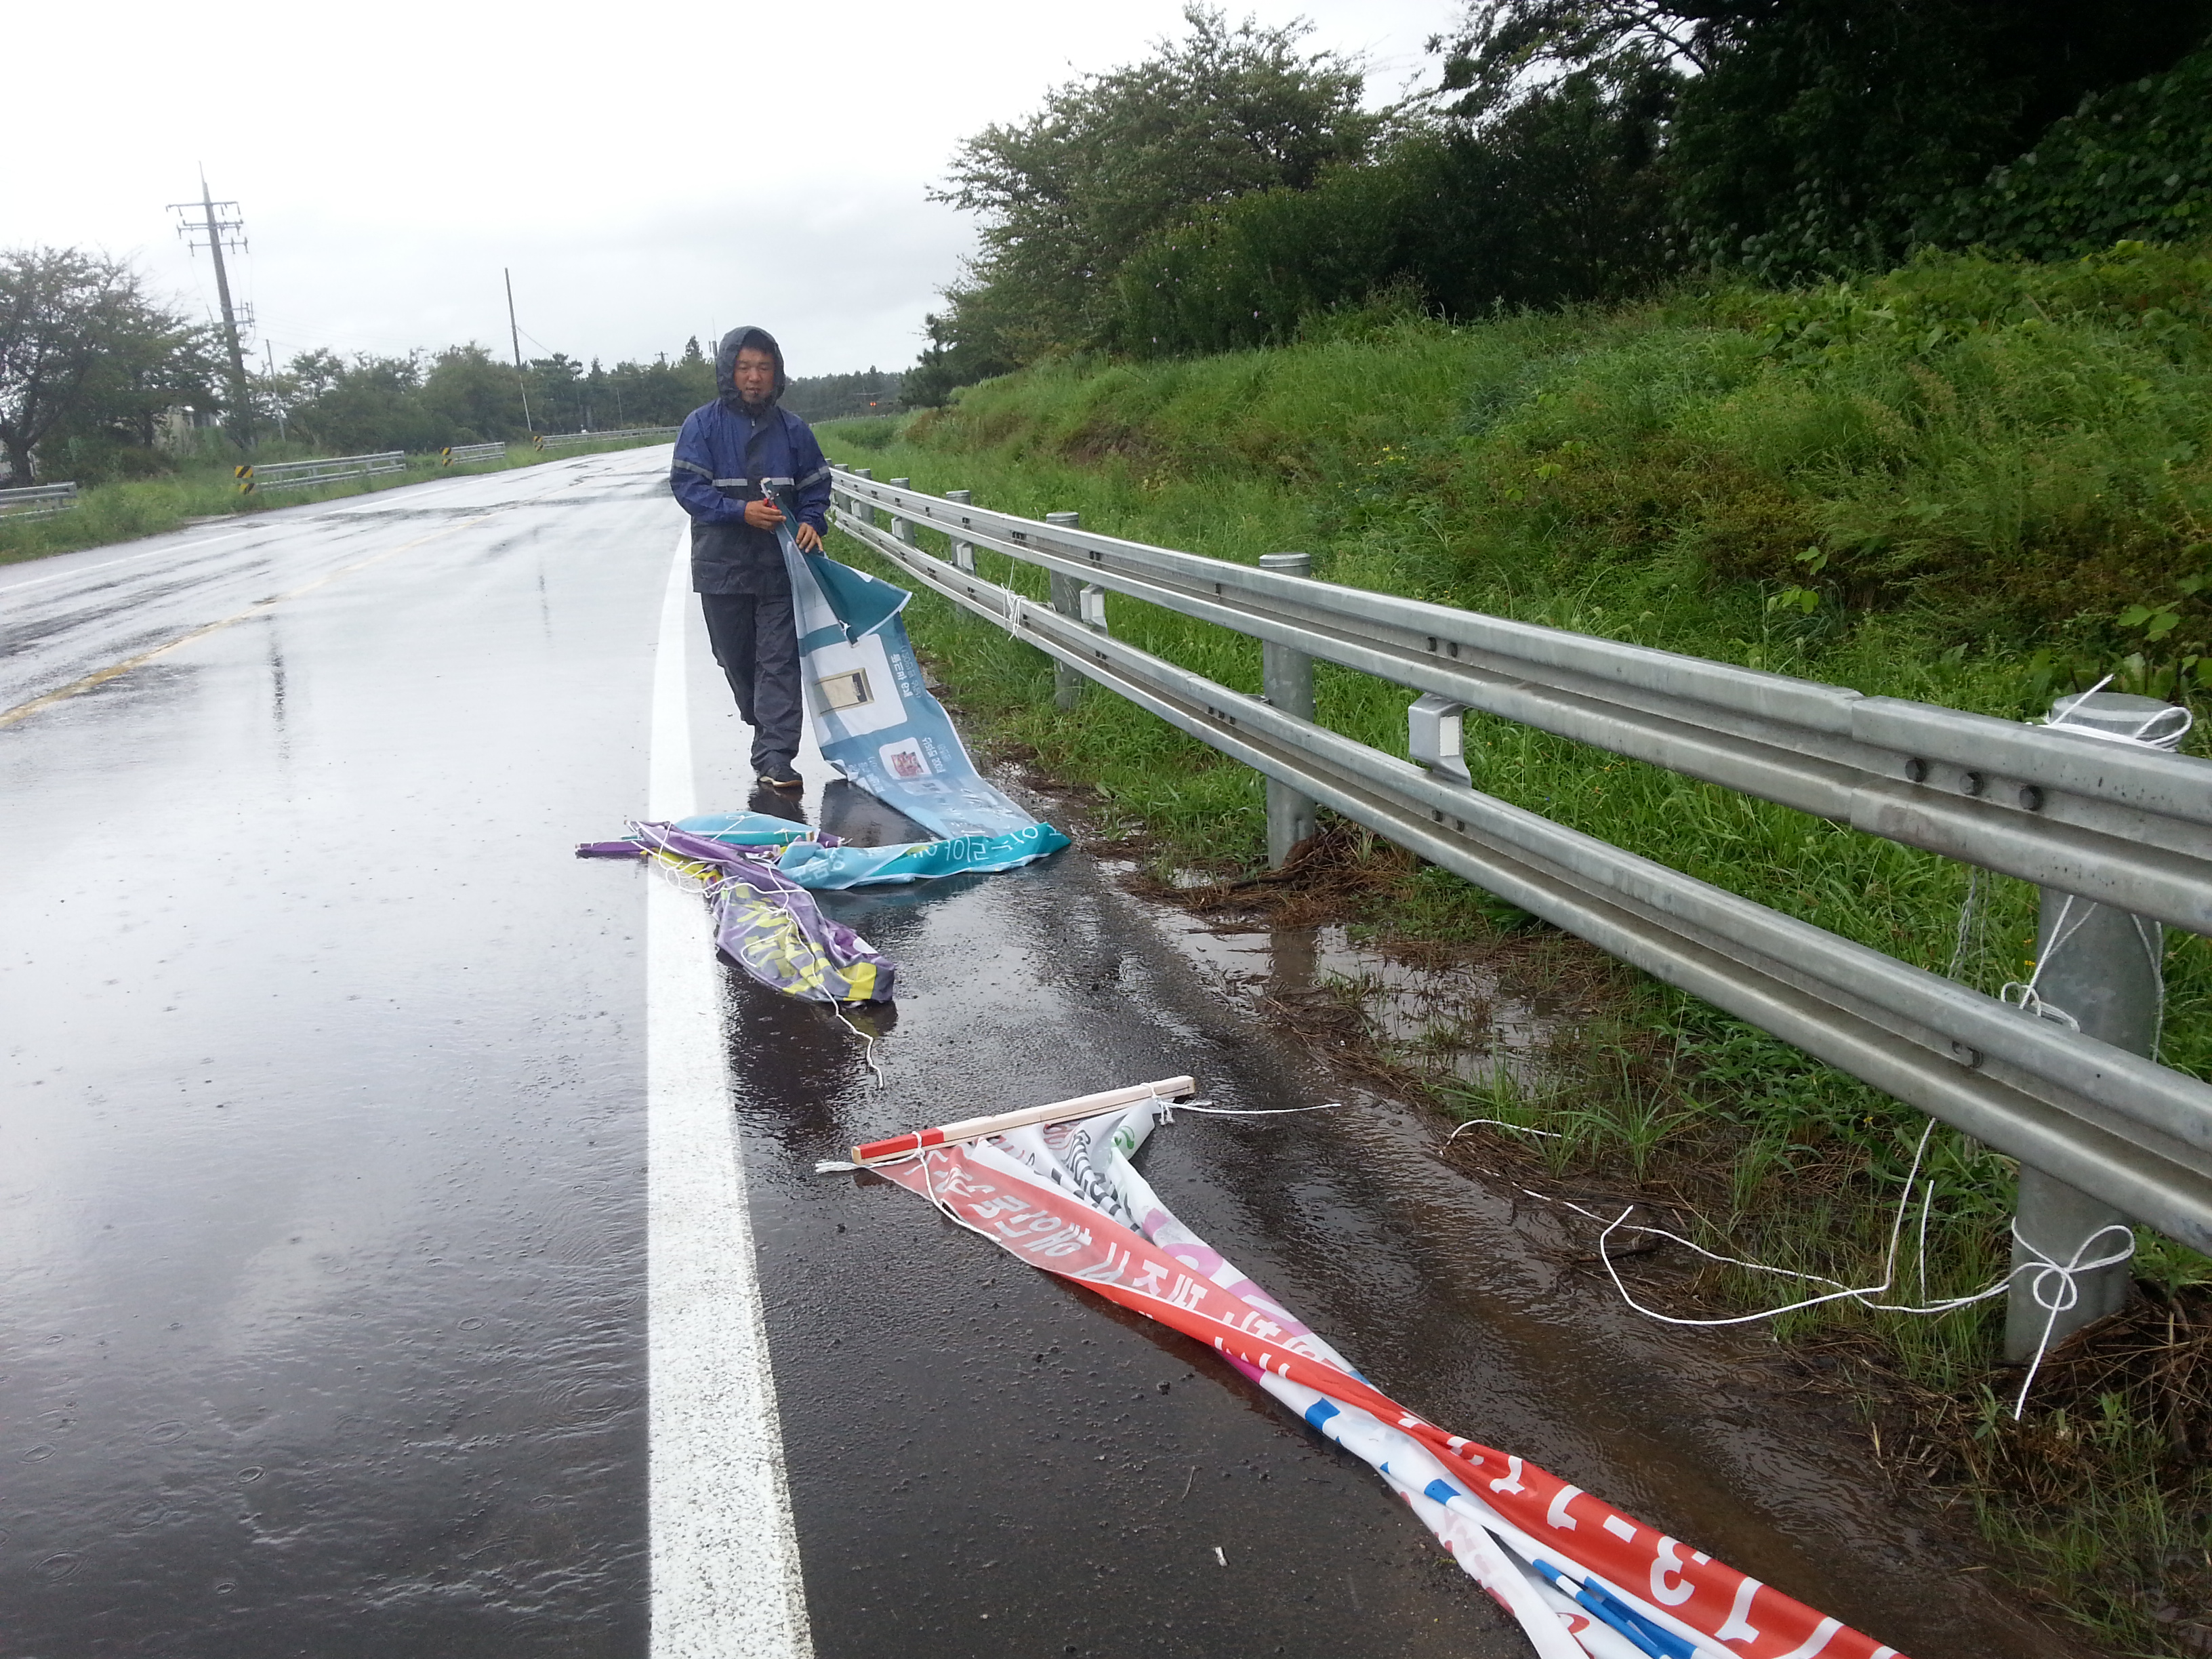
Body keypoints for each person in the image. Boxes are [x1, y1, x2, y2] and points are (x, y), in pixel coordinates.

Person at [669, 326, 832, 790]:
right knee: (736, 660)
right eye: (745, 367)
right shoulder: (701, 426)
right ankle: (760, 717)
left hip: (781, 567)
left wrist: (811, 522)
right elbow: (688, 488)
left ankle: (776, 757)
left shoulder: (794, 430)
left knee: (779, 662)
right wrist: (738, 512)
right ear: (729, 372)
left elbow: (817, 488)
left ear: (776, 372)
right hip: (722, 568)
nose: (755, 377)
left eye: (763, 367)